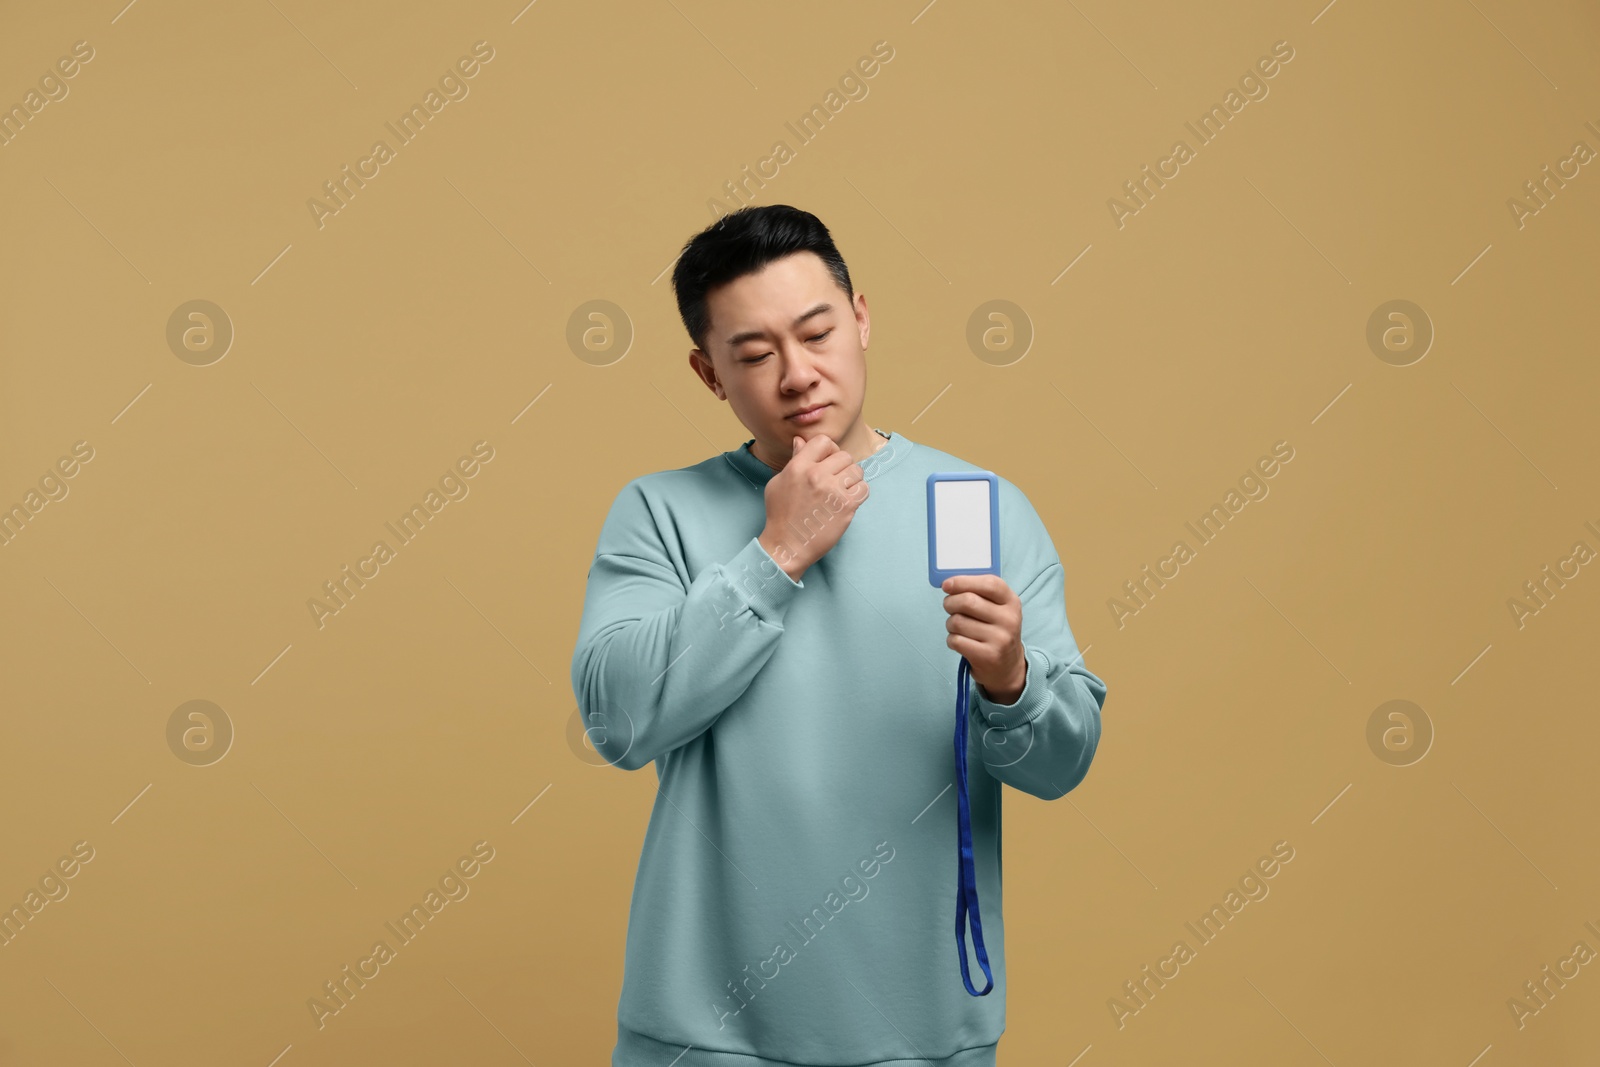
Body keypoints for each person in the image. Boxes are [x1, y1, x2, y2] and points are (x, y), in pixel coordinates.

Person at [570, 204, 1107, 1067]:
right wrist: (776, 552)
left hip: (922, 1031)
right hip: (702, 1034)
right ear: (710, 374)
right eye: (754, 355)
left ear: (861, 317)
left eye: (818, 332)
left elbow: (1061, 764)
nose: (796, 375)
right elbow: (619, 723)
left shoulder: (969, 506)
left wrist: (1013, 678)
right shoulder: (660, 512)